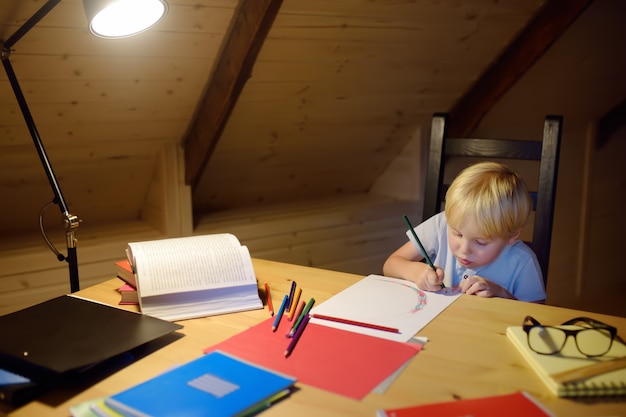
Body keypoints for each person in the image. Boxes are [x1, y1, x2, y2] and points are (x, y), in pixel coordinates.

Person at [383, 161, 546, 303]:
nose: (464, 249)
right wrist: (416, 272)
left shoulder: (523, 263)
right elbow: (390, 265)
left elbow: (536, 318)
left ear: (512, 236)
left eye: (480, 242)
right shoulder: (442, 224)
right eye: (457, 234)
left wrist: (502, 295)